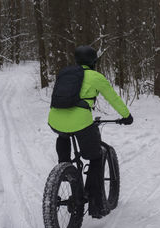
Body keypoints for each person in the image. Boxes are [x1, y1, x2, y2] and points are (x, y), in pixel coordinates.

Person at [48, 45, 133, 218]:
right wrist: (126, 116)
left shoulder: (65, 74)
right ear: (93, 61)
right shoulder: (96, 77)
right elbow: (113, 98)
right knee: (95, 156)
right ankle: (96, 204)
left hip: (55, 119)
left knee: (64, 134)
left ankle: (64, 168)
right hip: (80, 121)